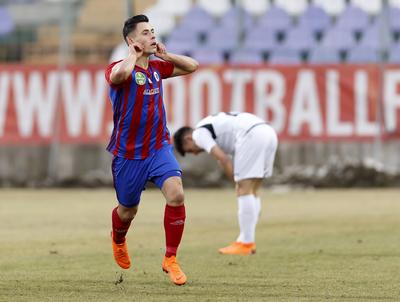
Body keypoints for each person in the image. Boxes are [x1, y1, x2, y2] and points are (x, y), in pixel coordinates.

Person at [105, 14, 198, 285]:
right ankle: (119, 238)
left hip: (159, 147)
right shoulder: (118, 68)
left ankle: (170, 258)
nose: (152, 36)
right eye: (146, 33)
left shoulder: (157, 68)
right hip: (128, 154)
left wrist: (167, 57)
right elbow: (120, 75)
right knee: (127, 210)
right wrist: (132, 55)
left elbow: (192, 66)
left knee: (176, 194)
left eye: (153, 31)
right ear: (131, 40)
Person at [173, 112, 278, 255]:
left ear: (188, 139)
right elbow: (224, 157)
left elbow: (223, 159)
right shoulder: (210, 125)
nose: (196, 153)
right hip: (268, 132)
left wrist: (237, 183)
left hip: (251, 135)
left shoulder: (198, 134)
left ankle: (247, 243)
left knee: (244, 190)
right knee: (253, 190)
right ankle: (244, 239)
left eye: (191, 150)